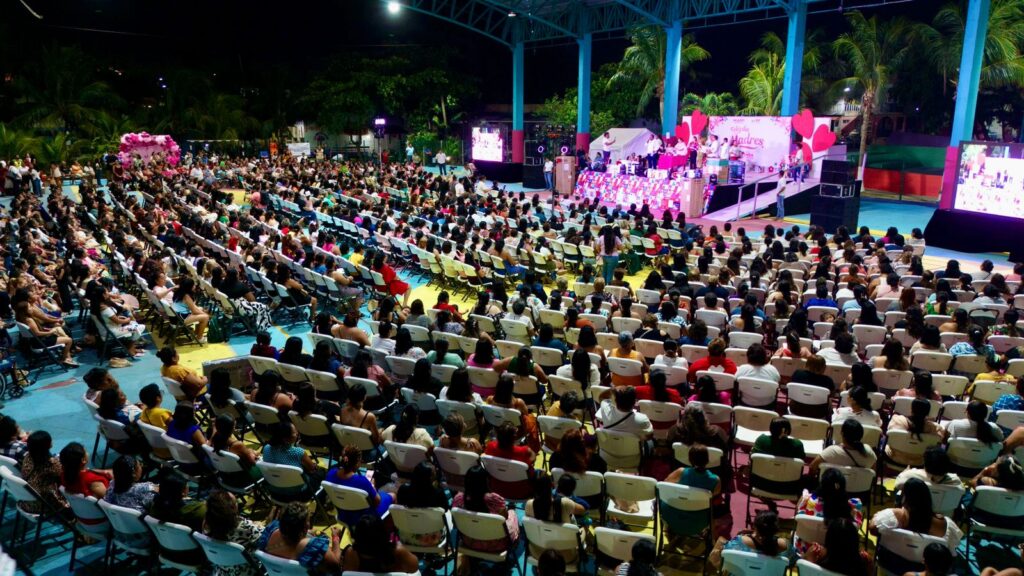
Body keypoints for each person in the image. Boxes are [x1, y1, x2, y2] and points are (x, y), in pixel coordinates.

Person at [869, 478, 963, 552]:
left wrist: (875, 517)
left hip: (891, 564)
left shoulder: (893, 515)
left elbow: (873, 530)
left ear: (904, 497)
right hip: (923, 567)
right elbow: (951, 548)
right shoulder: (945, 524)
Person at [257, 501, 343, 573]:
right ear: (305, 527)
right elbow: (336, 567)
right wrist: (335, 537)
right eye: (308, 521)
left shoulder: (269, 533)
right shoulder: (313, 548)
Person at [793, 468, 863, 554]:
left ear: (822, 484)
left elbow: (797, 517)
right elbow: (856, 528)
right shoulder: (854, 506)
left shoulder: (807, 499)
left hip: (806, 551)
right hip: (837, 554)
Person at [452, 465, 519, 554]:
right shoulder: (495, 499)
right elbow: (505, 518)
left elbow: (455, 522)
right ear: (486, 481)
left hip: (469, 542)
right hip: (497, 544)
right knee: (512, 513)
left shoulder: (458, 498)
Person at [662, 444, 721, 539]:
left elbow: (665, 484)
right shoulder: (716, 480)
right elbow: (715, 495)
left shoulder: (681, 472)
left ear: (690, 460)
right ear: (707, 460)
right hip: (697, 524)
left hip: (671, 518)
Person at [325, 446, 393, 527]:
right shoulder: (362, 481)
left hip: (344, 515)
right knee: (393, 495)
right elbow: (377, 502)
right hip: (364, 519)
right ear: (357, 463)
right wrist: (372, 486)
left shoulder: (330, 474)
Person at [525, 473, 585, 562]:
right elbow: (582, 510)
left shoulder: (529, 505)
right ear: (552, 485)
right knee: (583, 527)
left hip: (537, 553)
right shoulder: (565, 503)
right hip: (565, 556)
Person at [203, 490, 264, 576]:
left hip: (220, 571)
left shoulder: (206, 526)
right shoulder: (245, 527)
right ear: (234, 508)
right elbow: (266, 538)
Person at [716, 510, 794, 572]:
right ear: (776, 529)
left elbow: (723, 554)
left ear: (754, 526)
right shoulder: (786, 547)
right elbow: (794, 561)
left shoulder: (739, 542)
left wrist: (743, 535)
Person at [341, 514, 420, 574]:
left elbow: (348, 573)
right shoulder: (397, 551)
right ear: (384, 534)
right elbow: (414, 568)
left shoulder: (352, 553)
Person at [802, 518, 873, 576]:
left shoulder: (818, 557)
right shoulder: (864, 561)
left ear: (828, 540)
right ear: (855, 540)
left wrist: (808, 560)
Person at [886, 398, 943, 466]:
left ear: (911, 410)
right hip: (920, 462)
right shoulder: (935, 429)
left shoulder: (897, 420)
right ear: (928, 413)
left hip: (895, 457)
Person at [810, 419, 876, 474]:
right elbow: (873, 472)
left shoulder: (832, 451)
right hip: (860, 486)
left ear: (842, 433)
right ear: (861, 436)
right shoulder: (869, 451)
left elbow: (812, 467)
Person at [893, 446, 964, 491]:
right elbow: (962, 491)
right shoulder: (956, 481)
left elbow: (898, 485)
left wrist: (905, 472)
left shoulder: (911, 475)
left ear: (925, 464)